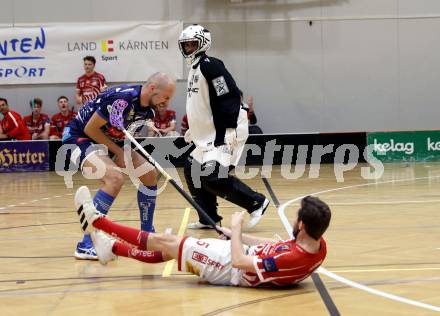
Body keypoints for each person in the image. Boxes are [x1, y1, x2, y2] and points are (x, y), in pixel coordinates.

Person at [75, 186, 331, 287]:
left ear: (305, 226)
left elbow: (242, 263)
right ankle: (112, 250)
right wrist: (233, 235)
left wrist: (237, 227)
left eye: (298, 218)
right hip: (238, 258)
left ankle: (98, 221)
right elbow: (273, 246)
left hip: (231, 268)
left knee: (167, 243)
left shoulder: (293, 258)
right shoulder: (317, 245)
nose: (294, 221)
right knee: (169, 251)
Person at [62, 72, 175, 260]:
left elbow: (123, 134)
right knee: (114, 178)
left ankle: (146, 236)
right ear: (153, 89)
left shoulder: (150, 110)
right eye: (166, 97)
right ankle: (87, 243)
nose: (167, 103)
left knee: (149, 175)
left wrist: (123, 152)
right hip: (80, 135)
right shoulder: (122, 99)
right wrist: (120, 152)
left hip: (109, 139)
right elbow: (91, 128)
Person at [178, 24, 269, 229]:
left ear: (203, 44)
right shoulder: (194, 69)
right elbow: (200, 104)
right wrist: (195, 129)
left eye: (192, 45)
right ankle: (208, 218)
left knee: (213, 178)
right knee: (192, 169)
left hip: (226, 131)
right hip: (208, 134)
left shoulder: (211, 65)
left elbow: (228, 96)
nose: (188, 49)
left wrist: (228, 132)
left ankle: (256, 202)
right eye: (185, 45)